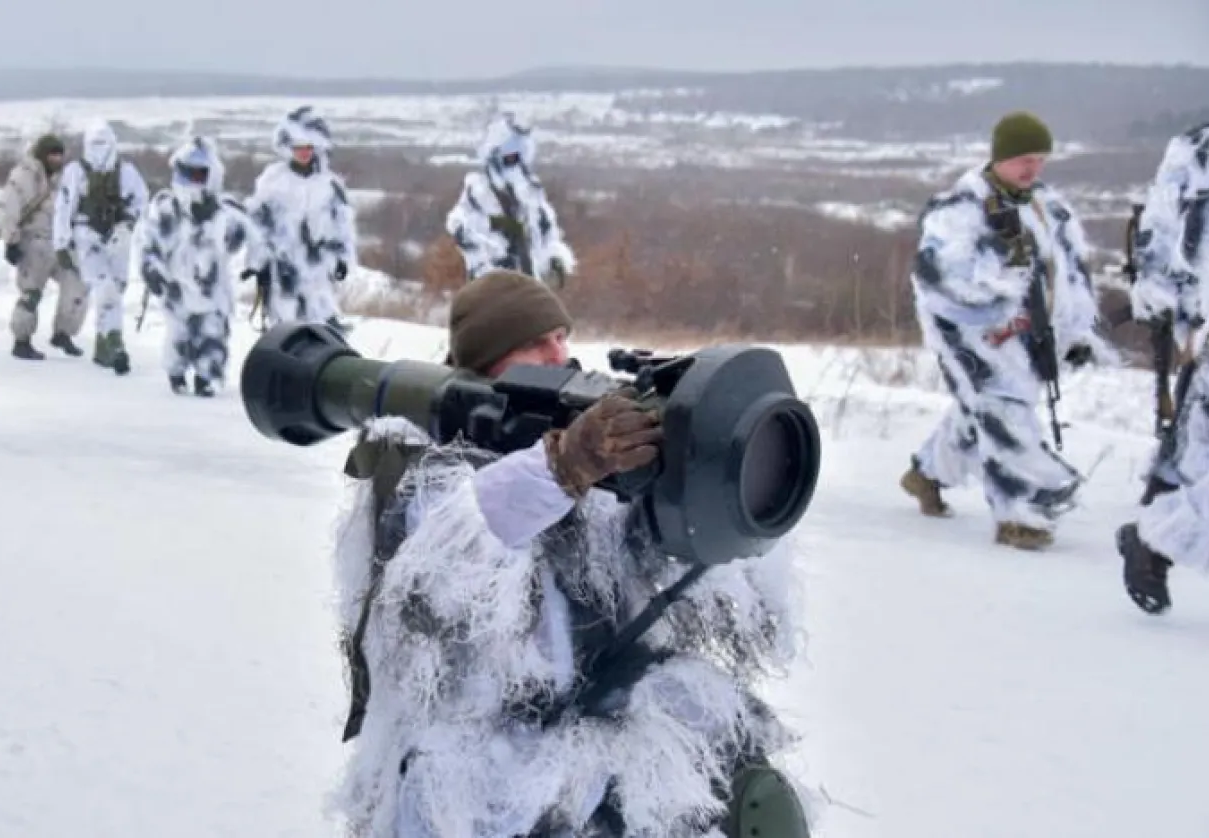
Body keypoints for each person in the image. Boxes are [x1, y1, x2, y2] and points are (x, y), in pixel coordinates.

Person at [327, 269, 810, 837]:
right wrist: (563, 468)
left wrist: (710, 484)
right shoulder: (429, 468)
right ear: (487, 362)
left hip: (589, 746)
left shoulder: (589, 455)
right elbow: (445, 567)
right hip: (474, 776)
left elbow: (673, 571)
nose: (559, 352)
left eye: (562, 335)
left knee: (754, 795)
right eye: (535, 341)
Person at [899, 111, 1116, 550]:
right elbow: (940, 280)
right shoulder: (960, 211)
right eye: (1022, 158)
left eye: (1039, 159)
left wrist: (1076, 333)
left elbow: (1071, 277)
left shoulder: (1049, 208)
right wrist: (998, 301)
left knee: (982, 410)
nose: (1032, 168)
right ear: (999, 156)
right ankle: (1021, 515)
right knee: (1004, 410)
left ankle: (926, 474)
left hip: (1035, 335)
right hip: (973, 337)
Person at [1116, 121, 1209, 615]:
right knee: (1195, 459)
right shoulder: (1199, 152)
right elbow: (1160, 243)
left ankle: (1153, 541)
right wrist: (1183, 323)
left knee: (1198, 463)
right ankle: (1154, 538)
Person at [134, 135, 265, 396]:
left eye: (199, 173)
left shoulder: (223, 211)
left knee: (213, 333)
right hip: (176, 284)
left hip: (214, 288)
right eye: (188, 173)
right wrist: (151, 269)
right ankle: (177, 372)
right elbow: (148, 241)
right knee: (179, 333)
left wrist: (254, 264)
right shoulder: (165, 207)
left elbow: (253, 236)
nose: (193, 179)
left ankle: (208, 376)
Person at [244, 105, 357, 332]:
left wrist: (342, 258)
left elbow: (342, 225)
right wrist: (257, 263)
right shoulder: (273, 181)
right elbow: (258, 226)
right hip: (283, 270)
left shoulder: (329, 185)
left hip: (318, 270)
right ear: (287, 148)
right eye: (298, 148)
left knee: (321, 325)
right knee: (285, 328)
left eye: (308, 147)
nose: (303, 153)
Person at [52, 120, 148, 374]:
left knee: (116, 288)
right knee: (106, 290)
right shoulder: (76, 172)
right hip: (88, 237)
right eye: (94, 143)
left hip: (118, 238)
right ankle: (115, 344)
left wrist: (128, 224)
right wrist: (62, 243)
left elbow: (141, 200)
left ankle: (103, 345)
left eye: (103, 143)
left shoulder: (126, 171)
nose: (99, 148)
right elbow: (63, 208)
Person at [445, 112, 575, 287]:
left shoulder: (531, 198)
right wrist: (498, 228)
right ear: (495, 159)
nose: (514, 166)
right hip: (490, 286)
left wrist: (553, 259)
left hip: (529, 285)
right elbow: (460, 227)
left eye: (518, 159)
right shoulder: (478, 192)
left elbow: (547, 232)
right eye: (509, 159)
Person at [0, 133, 87, 359]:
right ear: (42, 154)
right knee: (31, 293)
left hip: (59, 243)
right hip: (32, 242)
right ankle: (21, 340)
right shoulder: (23, 176)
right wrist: (11, 240)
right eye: (52, 155)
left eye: (59, 155)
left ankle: (63, 333)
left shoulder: (64, 179)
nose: (56, 159)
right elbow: (8, 208)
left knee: (77, 284)